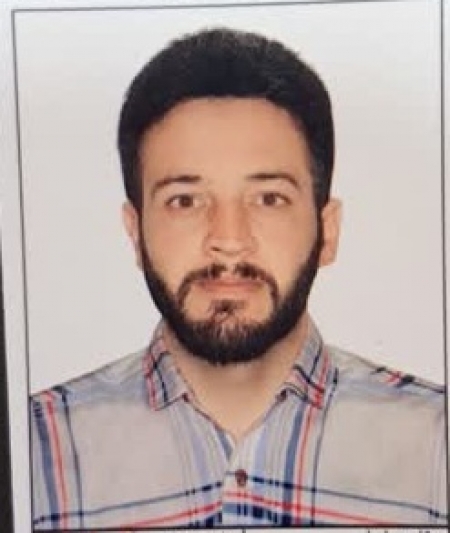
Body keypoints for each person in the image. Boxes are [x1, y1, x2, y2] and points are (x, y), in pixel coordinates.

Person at [30, 28, 447, 529]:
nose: (228, 240)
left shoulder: (435, 446)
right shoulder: (35, 449)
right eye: (185, 200)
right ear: (136, 233)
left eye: (268, 199)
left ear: (328, 231)